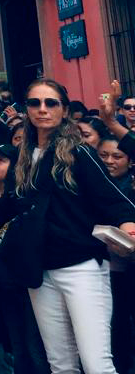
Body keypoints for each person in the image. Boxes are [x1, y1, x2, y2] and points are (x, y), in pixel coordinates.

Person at [0, 79, 135, 374]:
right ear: (27, 109)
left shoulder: (80, 154)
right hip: (40, 270)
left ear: (64, 110)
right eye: (35, 103)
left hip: (81, 268)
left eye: (51, 103)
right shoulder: (25, 157)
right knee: (60, 364)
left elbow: (112, 199)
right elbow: (11, 201)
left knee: (97, 364)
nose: (42, 109)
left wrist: (129, 229)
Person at [0, 142, 48, 374]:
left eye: (1, 160)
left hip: (22, 278)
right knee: (14, 339)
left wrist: (0, 252)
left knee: (34, 343)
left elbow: (31, 237)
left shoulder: (23, 196)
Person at [97, 137, 135, 374]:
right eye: (103, 155)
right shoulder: (92, 187)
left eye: (117, 156)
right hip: (103, 270)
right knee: (114, 327)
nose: (109, 161)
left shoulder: (128, 190)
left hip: (125, 269)